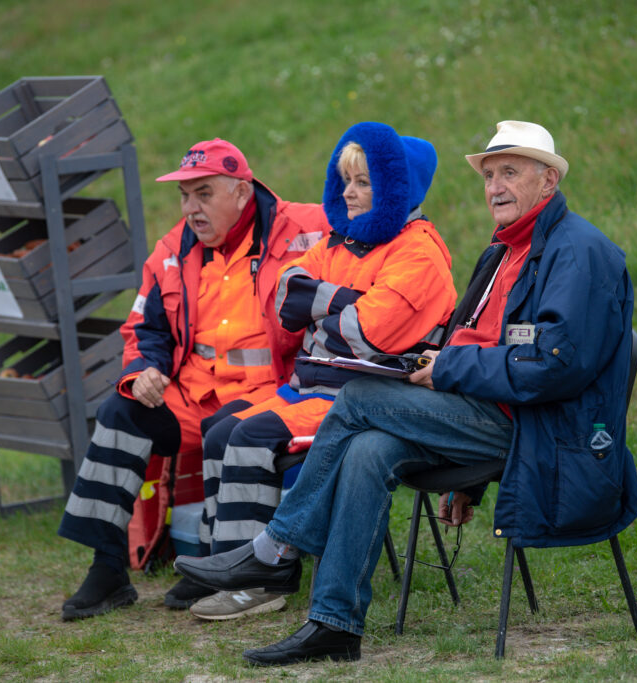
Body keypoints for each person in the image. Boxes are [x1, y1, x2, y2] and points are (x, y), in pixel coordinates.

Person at [175, 120, 637, 665]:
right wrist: (467, 468)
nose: (495, 187)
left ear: (548, 181)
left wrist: (448, 367)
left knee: (358, 397)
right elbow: (483, 345)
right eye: (489, 175)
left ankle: (276, 548)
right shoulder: (503, 251)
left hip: (542, 430)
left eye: (510, 173)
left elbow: (553, 367)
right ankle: (334, 624)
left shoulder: (580, 252)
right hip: (485, 413)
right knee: (367, 449)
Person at [184, 121, 456, 621]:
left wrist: (323, 309)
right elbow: (283, 296)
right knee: (219, 431)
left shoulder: (419, 252)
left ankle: (261, 583)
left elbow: (365, 334)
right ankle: (220, 564)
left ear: (398, 190)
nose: (348, 193)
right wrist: (347, 302)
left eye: (363, 183)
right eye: (346, 180)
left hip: (359, 400)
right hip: (308, 388)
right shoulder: (341, 241)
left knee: (251, 437)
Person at [57, 138, 330, 621]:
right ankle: (108, 569)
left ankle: (215, 563)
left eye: (204, 194)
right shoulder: (172, 249)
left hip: (272, 391)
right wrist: (142, 371)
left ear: (241, 192)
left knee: (224, 428)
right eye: (184, 196)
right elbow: (145, 328)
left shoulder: (308, 228)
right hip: (193, 392)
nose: (190, 209)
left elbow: (365, 240)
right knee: (120, 411)